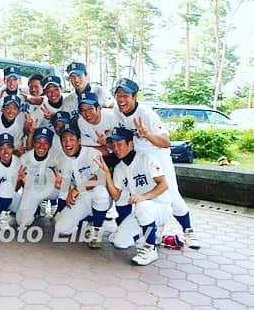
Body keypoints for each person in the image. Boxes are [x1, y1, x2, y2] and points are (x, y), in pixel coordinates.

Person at [112, 78, 200, 249]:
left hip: (157, 155)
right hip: (137, 159)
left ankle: (188, 230)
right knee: (136, 194)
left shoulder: (147, 114)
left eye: (126, 95)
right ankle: (146, 230)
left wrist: (146, 134)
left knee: (171, 196)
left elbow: (166, 141)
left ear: (134, 96)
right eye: (118, 95)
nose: (121, 99)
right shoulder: (117, 111)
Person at [95, 127, 172, 265]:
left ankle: (150, 248)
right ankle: (149, 233)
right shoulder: (119, 168)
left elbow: (164, 185)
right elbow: (116, 196)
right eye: (113, 144)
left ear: (131, 144)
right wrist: (106, 175)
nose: (116, 148)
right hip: (143, 212)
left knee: (142, 206)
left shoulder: (147, 159)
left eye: (120, 144)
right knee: (119, 242)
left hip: (161, 207)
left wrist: (144, 196)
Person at [54, 122, 111, 249]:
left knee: (100, 192)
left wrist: (76, 189)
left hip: (99, 196)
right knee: (61, 228)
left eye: (72, 139)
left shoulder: (92, 153)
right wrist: (60, 210)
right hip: (81, 198)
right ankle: (85, 219)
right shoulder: (62, 160)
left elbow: (101, 178)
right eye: (64, 140)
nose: (68, 143)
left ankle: (97, 229)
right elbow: (65, 188)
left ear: (79, 141)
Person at [16, 127, 62, 227]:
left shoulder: (57, 157)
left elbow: (65, 183)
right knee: (22, 221)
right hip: (33, 189)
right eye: (38, 142)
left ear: (50, 145)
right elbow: (17, 187)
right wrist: (19, 180)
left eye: (45, 142)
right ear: (33, 142)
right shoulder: (25, 158)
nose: (41, 146)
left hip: (53, 190)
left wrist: (61, 185)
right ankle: (37, 205)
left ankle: (61, 212)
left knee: (69, 189)